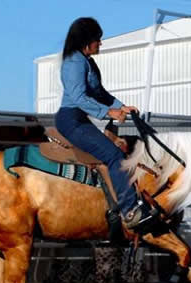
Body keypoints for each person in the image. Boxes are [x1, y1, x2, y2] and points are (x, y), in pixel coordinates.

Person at [55, 17, 155, 231]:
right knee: (114, 155)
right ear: (86, 40)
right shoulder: (74, 62)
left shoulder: (87, 61)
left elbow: (99, 93)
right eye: (97, 39)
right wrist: (109, 112)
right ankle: (129, 210)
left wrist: (122, 106)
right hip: (71, 120)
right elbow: (79, 97)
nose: (100, 43)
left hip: (81, 119)